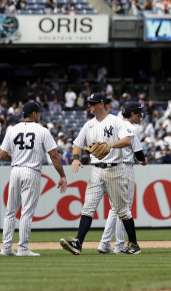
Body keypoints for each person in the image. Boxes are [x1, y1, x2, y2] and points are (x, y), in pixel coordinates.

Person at [59, 92, 140, 255]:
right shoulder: (88, 125)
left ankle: (134, 245)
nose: (89, 105)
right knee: (88, 208)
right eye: (89, 103)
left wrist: (110, 145)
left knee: (123, 211)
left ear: (101, 104)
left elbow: (127, 141)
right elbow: (77, 144)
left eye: (93, 103)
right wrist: (75, 158)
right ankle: (78, 243)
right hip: (96, 169)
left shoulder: (116, 121)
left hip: (115, 169)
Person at [0, 101, 67, 257]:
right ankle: (23, 248)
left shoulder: (12, 129)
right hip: (31, 171)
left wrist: (16, 158)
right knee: (26, 212)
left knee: (10, 212)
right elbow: (54, 155)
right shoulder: (42, 130)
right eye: (39, 113)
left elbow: (2, 155)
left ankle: (6, 247)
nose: (40, 115)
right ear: (34, 114)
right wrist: (62, 175)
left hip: (15, 170)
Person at [97, 102, 148, 254]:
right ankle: (120, 245)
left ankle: (105, 243)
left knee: (115, 208)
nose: (140, 116)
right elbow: (138, 152)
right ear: (132, 113)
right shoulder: (132, 128)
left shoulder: (115, 124)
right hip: (125, 168)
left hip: (113, 167)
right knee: (124, 209)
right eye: (139, 113)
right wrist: (143, 160)